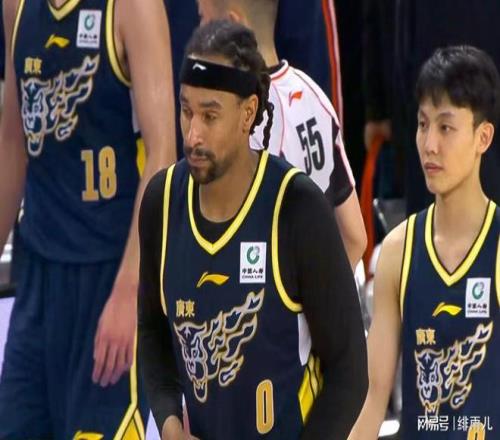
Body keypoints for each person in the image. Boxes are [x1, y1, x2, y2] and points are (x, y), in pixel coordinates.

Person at [138, 19, 367, 440]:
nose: (193, 135)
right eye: (186, 111)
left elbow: (350, 372)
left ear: (247, 114)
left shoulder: (296, 207)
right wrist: (170, 424)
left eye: (210, 116)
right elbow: (152, 332)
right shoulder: (162, 201)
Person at [0, 0, 176, 437]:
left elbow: (163, 154)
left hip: (110, 274)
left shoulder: (134, 7)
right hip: (37, 279)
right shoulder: (16, 7)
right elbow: (12, 144)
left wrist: (129, 292)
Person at [349, 45, 500, 439]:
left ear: (483, 137)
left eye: (445, 127)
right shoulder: (398, 250)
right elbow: (373, 395)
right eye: (422, 124)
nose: (430, 144)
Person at [196, 0, 367, 269]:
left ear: (232, 25)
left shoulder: (234, 122)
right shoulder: (316, 97)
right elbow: (355, 237)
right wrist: (321, 292)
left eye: (204, 21)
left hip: (254, 294)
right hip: (310, 287)